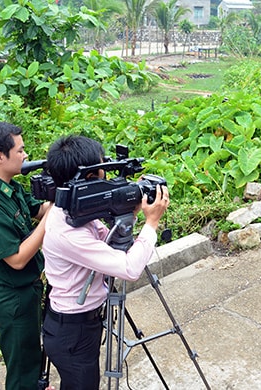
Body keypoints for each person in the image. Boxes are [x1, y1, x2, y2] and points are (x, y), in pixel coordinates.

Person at [41, 135, 169, 389]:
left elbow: (106, 241)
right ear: (88, 178)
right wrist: (151, 223)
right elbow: (129, 268)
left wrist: (128, 211)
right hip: (73, 331)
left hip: (78, 325)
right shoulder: (67, 231)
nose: (106, 177)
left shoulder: (73, 211)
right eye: (103, 169)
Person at [0, 121, 51, 389]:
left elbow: (37, 210)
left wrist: (62, 196)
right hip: (13, 298)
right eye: (21, 150)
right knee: (22, 373)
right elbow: (16, 259)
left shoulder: (9, 186)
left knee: (32, 360)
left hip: (27, 290)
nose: (25, 155)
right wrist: (48, 221)